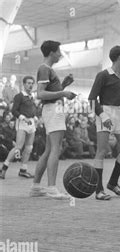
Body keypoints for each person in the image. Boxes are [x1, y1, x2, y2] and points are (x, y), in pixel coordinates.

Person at [31, 40, 76, 199]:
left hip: (52, 110)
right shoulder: (44, 68)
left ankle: (36, 186)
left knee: (49, 149)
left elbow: (48, 92)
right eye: (58, 51)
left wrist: (63, 85)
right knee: (55, 148)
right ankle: (51, 187)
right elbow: (41, 94)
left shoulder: (47, 70)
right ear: (51, 52)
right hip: (53, 110)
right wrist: (63, 94)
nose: (60, 54)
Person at [89, 45, 120, 200]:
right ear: (119, 58)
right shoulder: (102, 75)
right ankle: (98, 190)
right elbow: (92, 99)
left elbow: (116, 96)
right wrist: (103, 116)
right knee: (101, 151)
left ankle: (113, 183)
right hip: (104, 112)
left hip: (118, 113)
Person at [1, 76, 38, 179]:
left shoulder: (31, 96)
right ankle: (3, 168)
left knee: (29, 147)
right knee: (18, 147)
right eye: (28, 83)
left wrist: (34, 116)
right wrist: (23, 118)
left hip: (31, 123)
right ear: (24, 84)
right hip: (22, 123)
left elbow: (33, 109)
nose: (30, 85)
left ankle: (23, 170)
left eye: (32, 83)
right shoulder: (19, 96)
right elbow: (14, 111)